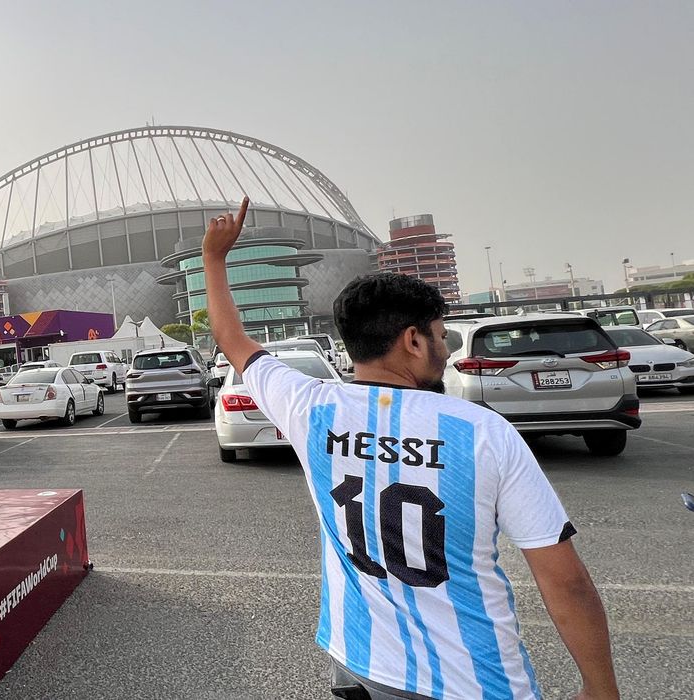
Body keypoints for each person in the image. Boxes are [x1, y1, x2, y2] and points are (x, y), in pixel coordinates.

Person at [204, 198, 618, 700]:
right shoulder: (482, 431)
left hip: (360, 662)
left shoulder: (309, 407)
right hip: (471, 680)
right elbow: (565, 581)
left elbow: (231, 339)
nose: (445, 349)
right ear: (413, 342)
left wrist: (214, 260)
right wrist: (600, 688)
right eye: (441, 336)